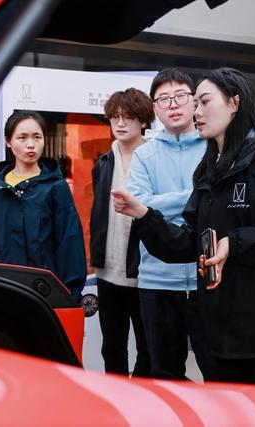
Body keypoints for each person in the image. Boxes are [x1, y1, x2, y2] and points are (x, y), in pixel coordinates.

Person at [113, 67, 255, 401]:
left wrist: (234, 243)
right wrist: (144, 215)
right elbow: (189, 243)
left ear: (234, 103)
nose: (196, 111)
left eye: (204, 101)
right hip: (223, 330)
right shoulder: (209, 170)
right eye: (195, 103)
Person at [126, 68, 215, 381]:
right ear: (154, 108)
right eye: (164, 99)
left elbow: (219, 200)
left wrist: (155, 205)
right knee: (164, 375)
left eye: (180, 96)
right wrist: (196, 197)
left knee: (218, 373)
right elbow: (137, 205)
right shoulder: (144, 155)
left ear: (194, 101)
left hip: (209, 278)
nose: (173, 105)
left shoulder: (214, 147)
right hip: (157, 281)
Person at [0, 111, 86, 301]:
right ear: (8, 141)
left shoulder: (56, 186)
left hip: (45, 290)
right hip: (5, 286)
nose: (31, 144)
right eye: (22, 137)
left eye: (37, 137)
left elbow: (70, 242)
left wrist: (69, 294)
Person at [90, 88, 153, 377]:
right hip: (107, 272)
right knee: (112, 347)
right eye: (115, 117)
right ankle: (117, 399)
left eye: (128, 116)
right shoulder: (103, 163)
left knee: (148, 347)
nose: (120, 122)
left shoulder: (153, 158)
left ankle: (139, 398)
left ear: (144, 120)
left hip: (144, 272)